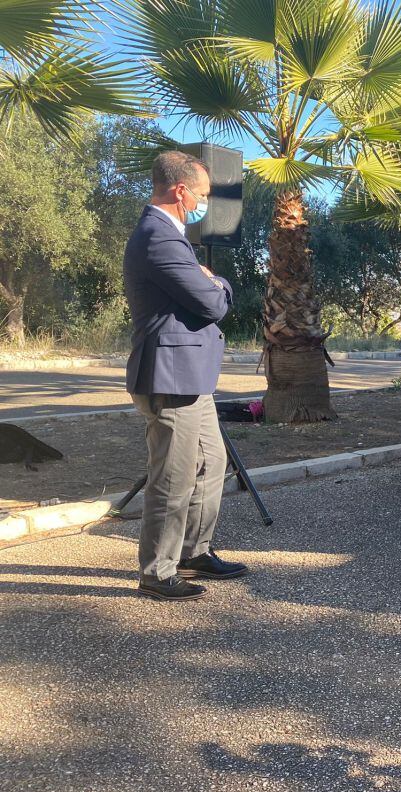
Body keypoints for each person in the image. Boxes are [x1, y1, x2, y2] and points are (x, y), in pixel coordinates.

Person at [124, 151, 249, 602]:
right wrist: (220, 283)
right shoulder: (158, 237)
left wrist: (209, 279)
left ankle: (194, 551)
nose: (204, 203)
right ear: (181, 191)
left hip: (190, 377)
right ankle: (157, 572)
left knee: (211, 462)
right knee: (173, 477)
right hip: (170, 377)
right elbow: (213, 304)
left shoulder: (171, 236)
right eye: (202, 194)